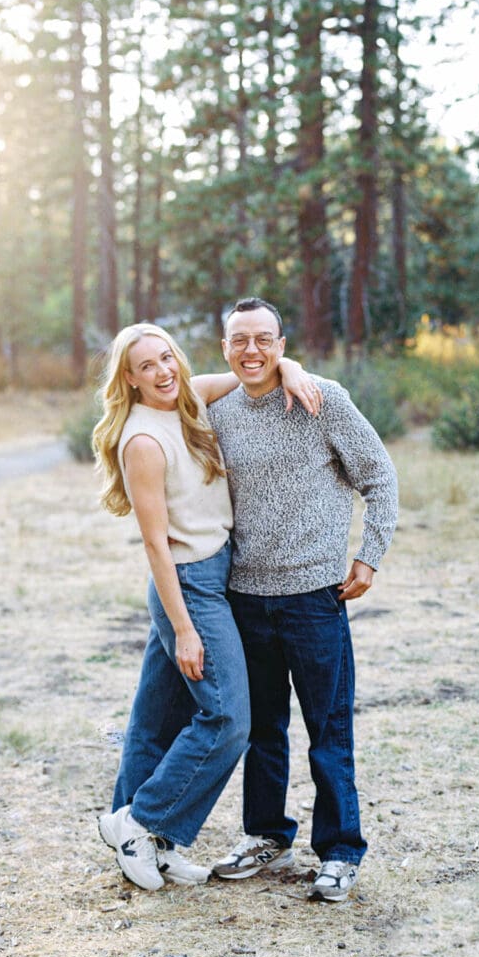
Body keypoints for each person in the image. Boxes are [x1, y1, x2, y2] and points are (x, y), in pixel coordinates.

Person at [92, 322, 320, 891]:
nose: (163, 371)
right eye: (146, 366)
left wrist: (289, 368)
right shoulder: (144, 440)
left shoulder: (186, 399)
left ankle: (156, 846)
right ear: (130, 378)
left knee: (155, 720)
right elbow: (155, 545)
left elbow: (248, 375)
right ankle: (140, 825)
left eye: (166, 357)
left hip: (214, 574)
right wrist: (184, 627)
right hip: (188, 583)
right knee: (227, 718)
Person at [206, 297, 398, 903]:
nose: (252, 351)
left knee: (328, 730)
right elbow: (167, 389)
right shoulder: (220, 413)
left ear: (283, 344)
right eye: (240, 340)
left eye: (265, 339)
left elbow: (379, 473)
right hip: (245, 599)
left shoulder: (322, 399)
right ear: (225, 349)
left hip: (315, 597)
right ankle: (266, 834)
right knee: (263, 729)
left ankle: (341, 851)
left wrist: (370, 554)